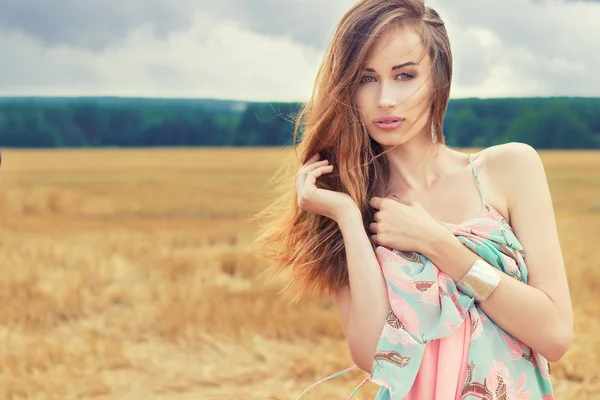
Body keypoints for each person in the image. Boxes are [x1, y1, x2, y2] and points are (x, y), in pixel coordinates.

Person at [250, 0, 572, 398]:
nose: (385, 99)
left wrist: (436, 244)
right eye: (366, 79)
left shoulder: (510, 169)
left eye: (404, 75)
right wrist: (348, 218)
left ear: (439, 79)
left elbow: (555, 335)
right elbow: (373, 355)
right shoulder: (350, 202)